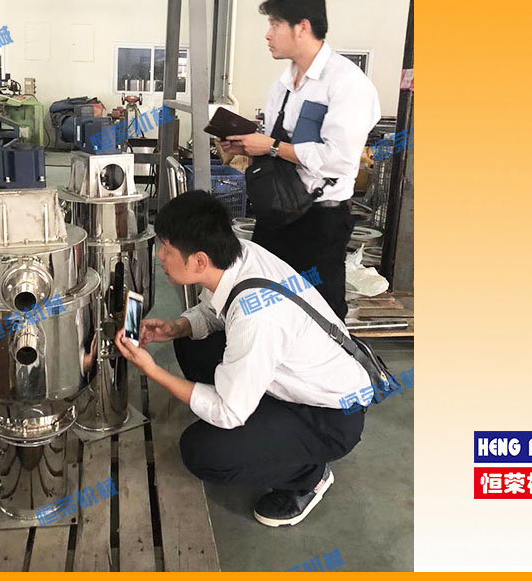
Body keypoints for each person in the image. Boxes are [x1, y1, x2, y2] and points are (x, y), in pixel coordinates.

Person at [114, 191, 369, 527]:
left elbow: (228, 411)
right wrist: (176, 327)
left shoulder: (257, 320)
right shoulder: (239, 254)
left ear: (199, 261)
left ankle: (308, 476)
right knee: (190, 342)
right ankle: (262, 424)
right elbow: (213, 311)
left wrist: (154, 371)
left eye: (167, 249)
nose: (160, 256)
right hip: (300, 379)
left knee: (203, 451)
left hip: (329, 416)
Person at [220, 0, 381, 321]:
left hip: (319, 220)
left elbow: (340, 158)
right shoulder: (282, 84)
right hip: (278, 213)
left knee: (319, 310)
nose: (268, 34)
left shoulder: (346, 82)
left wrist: (272, 146)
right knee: (268, 301)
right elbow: (278, 147)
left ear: (302, 27)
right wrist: (247, 146)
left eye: (275, 24)